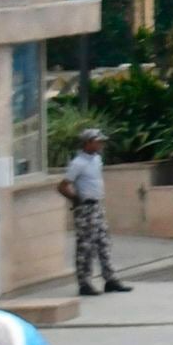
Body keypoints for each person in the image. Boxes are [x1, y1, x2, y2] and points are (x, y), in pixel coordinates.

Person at [65, 127, 129, 297]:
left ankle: (110, 279)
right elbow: (63, 185)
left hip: (97, 206)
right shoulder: (78, 163)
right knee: (86, 246)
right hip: (85, 208)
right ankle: (84, 283)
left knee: (104, 242)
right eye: (97, 141)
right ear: (88, 143)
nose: (101, 144)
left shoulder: (97, 160)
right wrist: (76, 199)